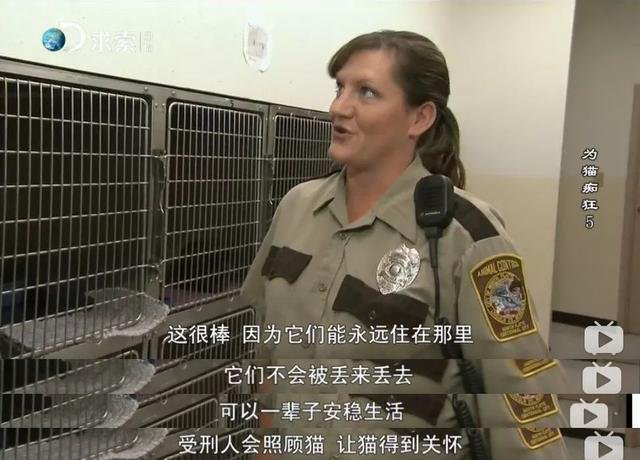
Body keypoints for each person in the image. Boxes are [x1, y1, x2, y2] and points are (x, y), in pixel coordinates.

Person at [241, 30, 570, 459]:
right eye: (340, 88)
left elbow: (522, 400)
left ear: (420, 118)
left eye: (367, 92)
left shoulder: (467, 235)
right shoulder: (296, 208)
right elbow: (269, 351)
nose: (339, 107)